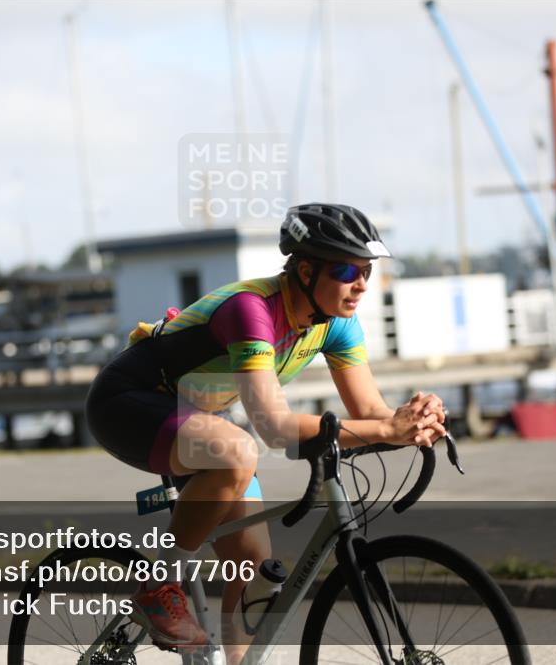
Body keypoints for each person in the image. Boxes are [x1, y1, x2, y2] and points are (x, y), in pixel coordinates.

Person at [85, 203, 447, 663]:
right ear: (304, 270)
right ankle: (158, 588)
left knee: (256, 571)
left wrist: (412, 421)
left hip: (194, 416)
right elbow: (274, 427)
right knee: (236, 450)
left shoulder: (337, 325)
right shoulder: (250, 311)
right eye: (344, 270)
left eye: (366, 272)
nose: (359, 284)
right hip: (127, 403)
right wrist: (384, 428)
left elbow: (370, 412)